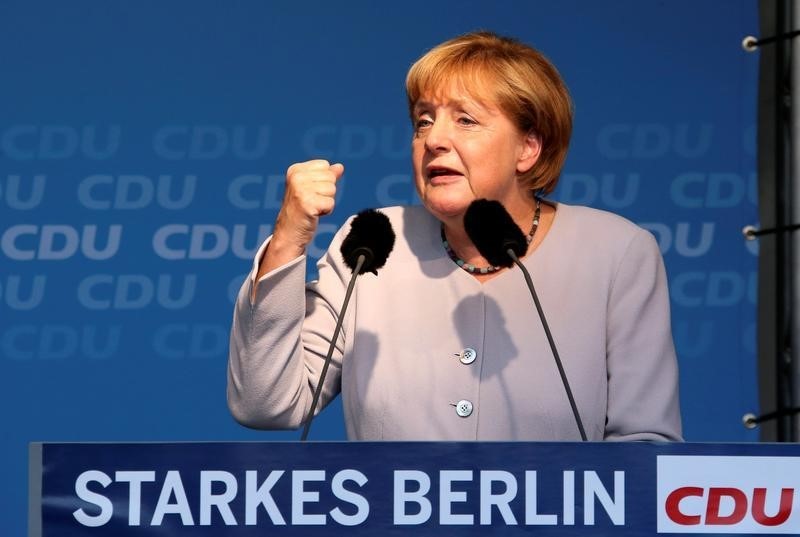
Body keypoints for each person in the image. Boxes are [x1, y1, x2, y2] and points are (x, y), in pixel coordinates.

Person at [227, 31, 682, 441]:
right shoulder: (373, 241)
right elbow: (266, 404)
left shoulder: (615, 252)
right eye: (424, 121)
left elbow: (646, 447)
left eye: (465, 120)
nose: (434, 140)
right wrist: (289, 238)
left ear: (528, 148)